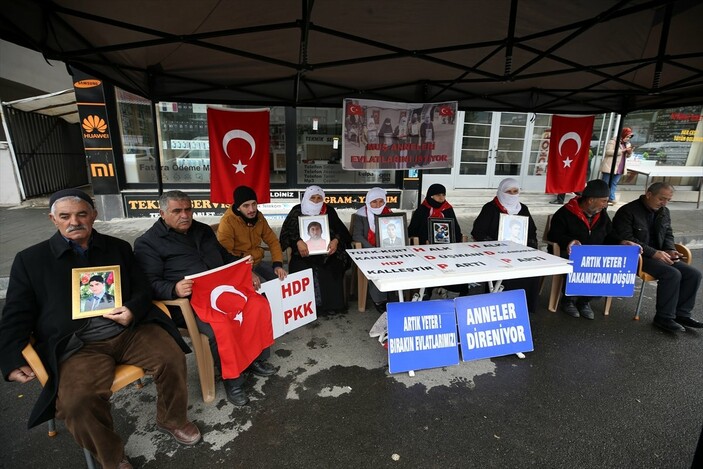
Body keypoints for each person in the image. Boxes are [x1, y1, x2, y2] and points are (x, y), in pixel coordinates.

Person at [0, 189, 199, 469]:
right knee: (77, 402)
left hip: (128, 331)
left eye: (82, 214)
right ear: (52, 219)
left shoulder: (117, 247)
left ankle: (172, 418)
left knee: (172, 356)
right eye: (65, 216)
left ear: (93, 215)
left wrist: (131, 309)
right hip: (77, 345)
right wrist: (10, 358)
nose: (74, 222)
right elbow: (15, 315)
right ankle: (112, 457)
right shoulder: (31, 260)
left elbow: (143, 287)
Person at [134, 190, 276, 407]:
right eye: (177, 211)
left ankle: (254, 359)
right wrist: (173, 288)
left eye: (188, 209)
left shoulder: (202, 230)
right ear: (162, 213)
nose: (185, 215)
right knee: (222, 326)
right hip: (189, 303)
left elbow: (224, 256)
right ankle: (233, 379)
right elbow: (149, 284)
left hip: (219, 292)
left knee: (257, 305)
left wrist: (245, 268)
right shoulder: (148, 243)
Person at [612, 182, 702, 332]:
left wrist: (670, 249)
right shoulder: (627, 211)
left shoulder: (664, 211)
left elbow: (668, 234)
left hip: (660, 254)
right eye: (662, 198)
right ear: (649, 194)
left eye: (668, 200)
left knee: (694, 274)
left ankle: (682, 314)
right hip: (637, 256)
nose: (664, 203)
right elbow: (626, 238)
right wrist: (654, 253)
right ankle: (664, 318)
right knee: (672, 274)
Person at [547, 179, 639, 319]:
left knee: (607, 268)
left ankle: (584, 301)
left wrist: (622, 241)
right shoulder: (565, 213)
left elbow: (609, 234)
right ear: (590, 200)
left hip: (595, 254)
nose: (605, 204)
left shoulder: (601, 215)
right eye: (603, 201)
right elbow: (554, 234)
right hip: (569, 252)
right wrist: (570, 241)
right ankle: (568, 300)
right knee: (578, 265)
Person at [279, 185, 352, 316]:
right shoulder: (297, 210)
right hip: (303, 252)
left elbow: (342, 231)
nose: (316, 201)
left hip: (327, 251)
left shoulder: (328, 210)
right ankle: (304, 307)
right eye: (312, 198)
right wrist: (297, 241)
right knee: (300, 266)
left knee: (333, 265)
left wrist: (335, 241)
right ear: (306, 197)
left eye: (319, 198)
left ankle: (332, 306)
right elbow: (285, 233)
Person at [471, 178, 541, 313]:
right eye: (508, 191)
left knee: (531, 271)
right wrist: (495, 245)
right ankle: (499, 306)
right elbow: (478, 232)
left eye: (515, 191)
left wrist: (529, 247)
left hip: (519, 252)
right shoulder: (490, 208)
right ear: (501, 191)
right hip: (496, 252)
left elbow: (531, 231)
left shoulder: (523, 208)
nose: (512, 194)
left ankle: (523, 307)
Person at [217, 185, 287, 281]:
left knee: (282, 280)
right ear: (238, 207)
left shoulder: (259, 217)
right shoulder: (227, 222)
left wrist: (277, 265)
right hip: (239, 267)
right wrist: (245, 271)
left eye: (254, 204)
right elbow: (225, 254)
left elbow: (273, 241)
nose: (252, 209)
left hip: (257, 262)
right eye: (246, 206)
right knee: (262, 289)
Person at [408, 183, 467, 297]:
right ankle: (429, 290)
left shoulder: (448, 209)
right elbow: (412, 230)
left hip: (447, 248)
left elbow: (455, 228)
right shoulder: (422, 210)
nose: (441, 198)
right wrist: (424, 240)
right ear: (431, 196)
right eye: (438, 195)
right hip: (425, 247)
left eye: (443, 195)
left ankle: (449, 289)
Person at [351, 187, 398, 312]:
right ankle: (380, 300)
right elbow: (357, 236)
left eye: (381, 201)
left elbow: (397, 231)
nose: (378, 205)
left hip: (388, 249)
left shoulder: (389, 213)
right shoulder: (361, 215)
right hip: (369, 250)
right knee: (377, 265)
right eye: (374, 202)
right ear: (368, 202)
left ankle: (394, 296)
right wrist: (372, 249)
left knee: (396, 264)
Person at [600, 127, 634, 205]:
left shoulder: (627, 144)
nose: (628, 139)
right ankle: (602, 197)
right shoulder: (613, 141)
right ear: (623, 135)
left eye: (629, 137)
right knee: (606, 182)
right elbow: (608, 152)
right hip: (610, 166)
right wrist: (622, 151)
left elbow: (628, 156)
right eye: (627, 136)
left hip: (620, 166)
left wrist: (629, 152)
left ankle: (611, 198)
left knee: (614, 183)